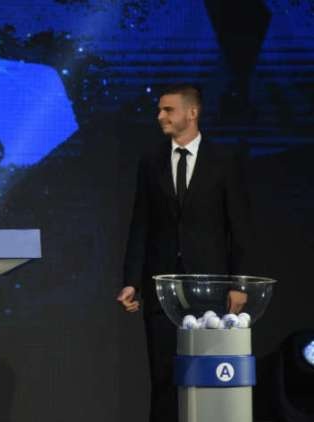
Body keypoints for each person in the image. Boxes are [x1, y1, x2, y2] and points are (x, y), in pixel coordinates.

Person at [116, 84, 254, 422]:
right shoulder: (151, 162)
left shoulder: (223, 161)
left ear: (192, 113)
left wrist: (239, 284)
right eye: (159, 110)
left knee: (210, 374)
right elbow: (141, 225)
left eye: (168, 110)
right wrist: (132, 281)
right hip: (162, 290)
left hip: (212, 289)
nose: (160, 116)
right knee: (164, 377)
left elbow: (240, 227)